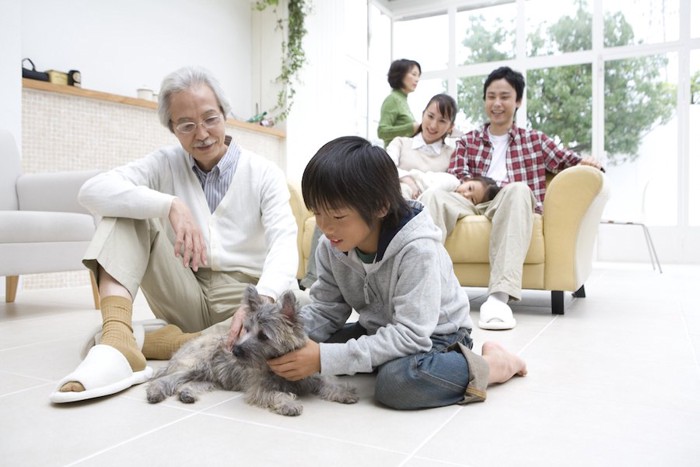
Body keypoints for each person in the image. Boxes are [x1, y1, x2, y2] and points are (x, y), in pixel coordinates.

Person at [49, 66, 300, 403]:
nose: (202, 134)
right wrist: (169, 205)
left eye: (210, 118)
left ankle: (167, 342)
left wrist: (264, 301)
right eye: (186, 125)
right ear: (172, 129)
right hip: (184, 286)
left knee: (305, 310)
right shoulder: (165, 164)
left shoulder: (263, 172)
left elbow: (285, 241)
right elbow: (92, 191)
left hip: (241, 301)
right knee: (127, 214)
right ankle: (117, 339)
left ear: (225, 114)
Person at [266, 136, 527, 410]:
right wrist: (280, 338)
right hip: (380, 328)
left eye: (338, 217)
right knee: (302, 345)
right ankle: (381, 358)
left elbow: (412, 335)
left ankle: (490, 365)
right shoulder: (331, 246)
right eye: (317, 213)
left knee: (397, 383)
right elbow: (326, 310)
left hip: (438, 337)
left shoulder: (417, 249)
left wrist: (322, 358)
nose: (326, 227)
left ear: (380, 206)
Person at [420, 66, 603, 331]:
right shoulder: (468, 141)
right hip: (469, 200)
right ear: (484, 100)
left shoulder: (534, 141)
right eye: (491, 96)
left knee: (518, 189)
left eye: (504, 97)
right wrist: (475, 187)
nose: (497, 103)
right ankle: (427, 293)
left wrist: (589, 162)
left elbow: (567, 160)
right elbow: (457, 174)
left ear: (517, 101)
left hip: (509, 200)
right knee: (433, 197)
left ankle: (498, 298)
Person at [385, 93, 458, 199]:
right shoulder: (400, 143)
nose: (433, 125)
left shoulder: (452, 155)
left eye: (442, 121)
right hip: (395, 204)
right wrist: (407, 180)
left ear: (451, 127)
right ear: (423, 114)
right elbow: (384, 168)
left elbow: (453, 187)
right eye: (430, 116)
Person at [377, 59, 421, 148]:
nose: (417, 79)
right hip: (392, 158)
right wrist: (411, 128)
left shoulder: (403, 101)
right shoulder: (393, 99)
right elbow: (382, 131)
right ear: (401, 74)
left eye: (418, 76)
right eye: (414, 74)